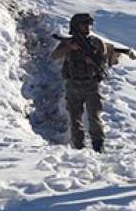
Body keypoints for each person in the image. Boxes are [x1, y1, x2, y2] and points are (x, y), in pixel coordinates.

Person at [50, 13, 124, 152]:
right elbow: (54, 56)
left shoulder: (96, 42)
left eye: (89, 24)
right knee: (74, 118)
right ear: (76, 26)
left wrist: (92, 61)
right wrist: (69, 48)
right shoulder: (68, 42)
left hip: (91, 84)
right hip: (73, 84)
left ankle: (98, 146)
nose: (87, 27)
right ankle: (78, 148)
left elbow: (103, 61)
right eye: (84, 24)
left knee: (94, 117)